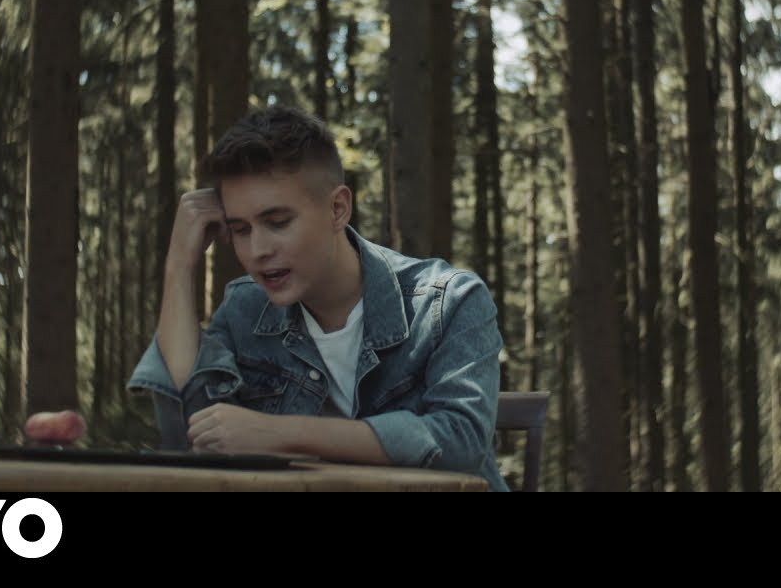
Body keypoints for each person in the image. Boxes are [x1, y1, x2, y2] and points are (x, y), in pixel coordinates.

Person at [124, 105, 509, 491]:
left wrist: (279, 433)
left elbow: (461, 443)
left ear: (338, 209)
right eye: (240, 230)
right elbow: (191, 424)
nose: (257, 250)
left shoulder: (448, 301)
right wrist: (179, 265)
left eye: (278, 223)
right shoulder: (246, 309)